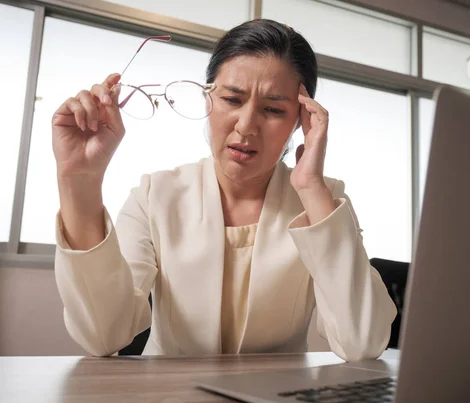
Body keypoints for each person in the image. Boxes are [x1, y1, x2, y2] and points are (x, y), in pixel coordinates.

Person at [52, 19, 397, 361]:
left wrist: (311, 187)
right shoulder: (155, 194)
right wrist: (79, 180)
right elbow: (102, 336)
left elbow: (363, 342)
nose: (246, 126)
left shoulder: (322, 201)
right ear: (208, 100)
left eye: (274, 109)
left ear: (301, 120)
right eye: (233, 99)